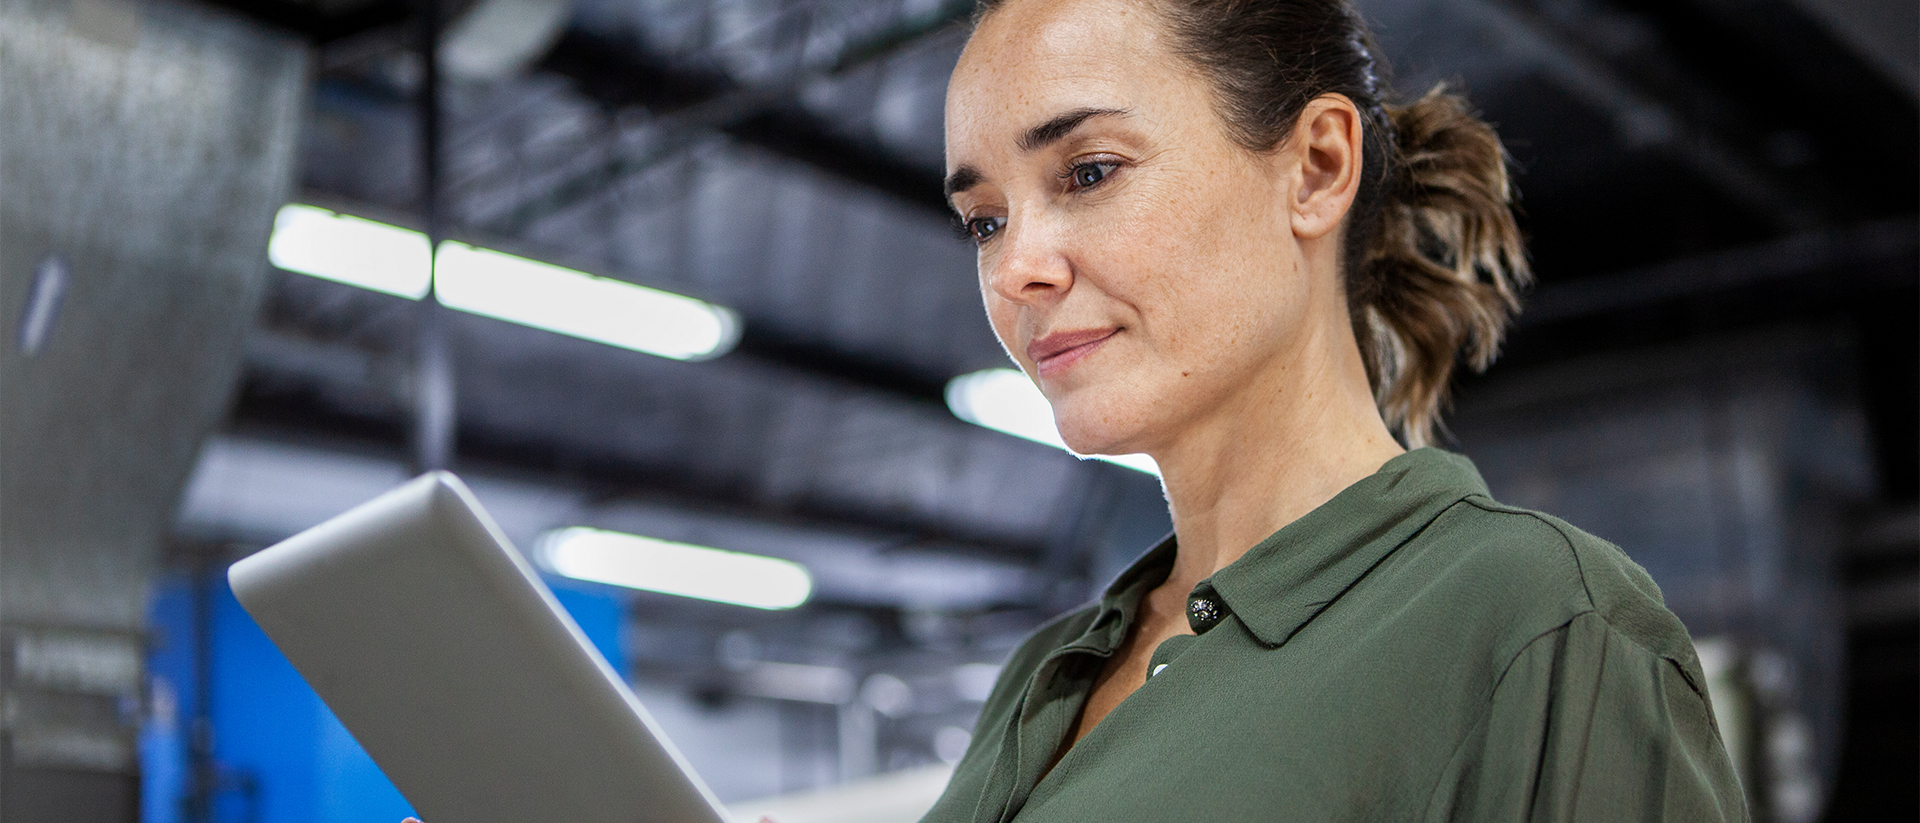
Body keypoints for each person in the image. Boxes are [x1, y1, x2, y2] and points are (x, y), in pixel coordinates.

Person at [926, 0, 1748, 819]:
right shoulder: (1037, 677)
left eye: (1091, 170)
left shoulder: (1542, 626)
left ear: (1317, 167)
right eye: (986, 221)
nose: (1013, 269)